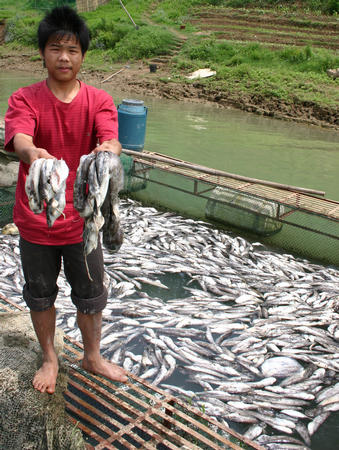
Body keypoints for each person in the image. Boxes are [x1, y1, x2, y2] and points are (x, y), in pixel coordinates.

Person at [4, 5, 127, 394]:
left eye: (72, 50)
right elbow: (20, 136)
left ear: (83, 56)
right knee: (40, 293)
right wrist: (32, 154)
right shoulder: (25, 98)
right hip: (37, 221)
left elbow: (110, 136)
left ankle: (92, 356)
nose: (64, 57)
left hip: (83, 222)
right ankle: (50, 357)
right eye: (56, 48)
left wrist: (109, 149)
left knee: (91, 293)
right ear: (43, 53)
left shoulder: (99, 100)